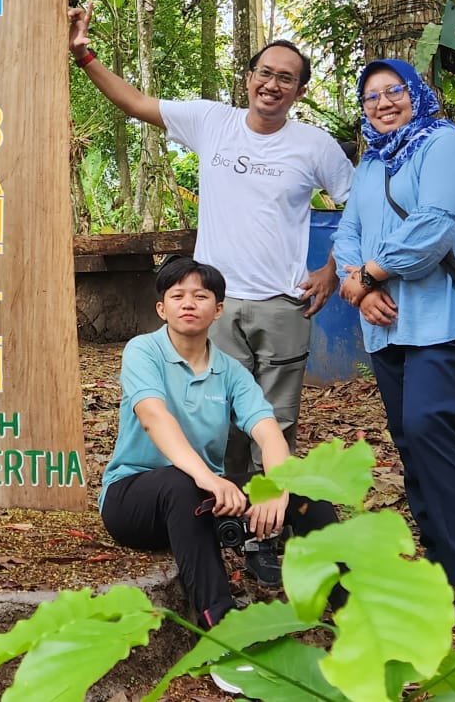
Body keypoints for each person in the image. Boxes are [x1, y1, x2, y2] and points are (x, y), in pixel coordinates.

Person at [69, 4, 353, 477]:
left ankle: (270, 522)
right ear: (248, 77)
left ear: (299, 91)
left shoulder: (314, 144)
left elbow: (358, 204)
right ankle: (224, 510)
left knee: (277, 421)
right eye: (265, 73)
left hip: (284, 303)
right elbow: (136, 103)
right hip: (216, 304)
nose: (272, 84)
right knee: (220, 418)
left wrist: (333, 267)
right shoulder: (211, 121)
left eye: (286, 79)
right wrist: (84, 55)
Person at [332, 60, 455, 635]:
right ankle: (437, 561)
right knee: (410, 440)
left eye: (393, 91)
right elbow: (346, 231)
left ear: (415, 93)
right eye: (371, 95)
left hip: (445, 318)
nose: (382, 103)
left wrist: (370, 275)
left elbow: (434, 226)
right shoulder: (371, 162)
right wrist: (357, 285)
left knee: (431, 425)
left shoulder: (444, 144)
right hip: (385, 324)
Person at [99, 256, 339, 641]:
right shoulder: (143, 351)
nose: (188, 303)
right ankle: (224, 634)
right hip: (133, 498)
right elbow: (153, 418)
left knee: (308, 489)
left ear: (219, 310)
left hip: (201, 498)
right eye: (177, 296)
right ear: (162, 309)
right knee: (182, 485)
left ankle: (355, 616)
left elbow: (269, 432)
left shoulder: (230, 371)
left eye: (200, 295)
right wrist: (209, 479)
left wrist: (275, 487)